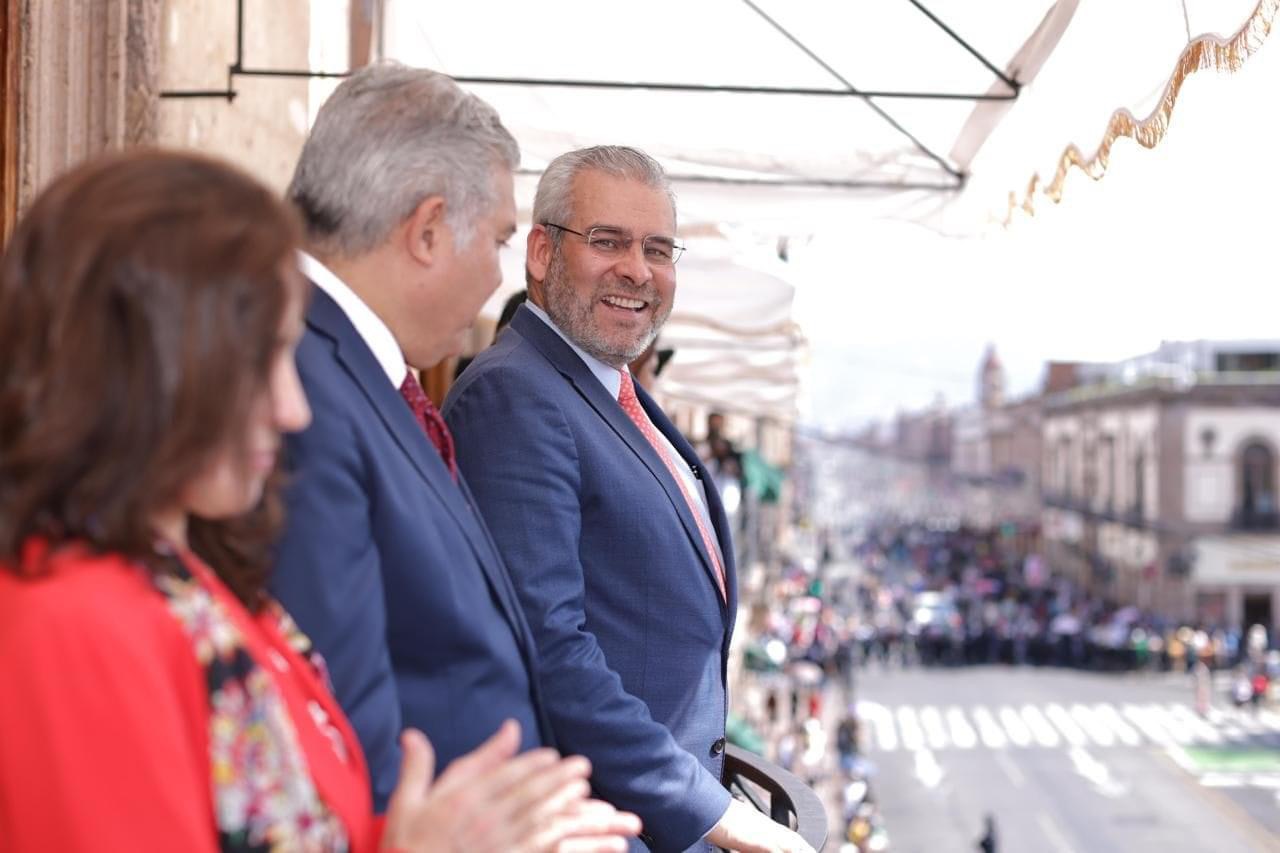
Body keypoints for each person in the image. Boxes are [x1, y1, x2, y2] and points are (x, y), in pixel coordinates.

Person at [0, 150, 637, 851]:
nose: (292, 406)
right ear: (148, 362)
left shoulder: (185, 579)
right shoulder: (75, 617)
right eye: (263, 358)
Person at [444, 145, 812, 852]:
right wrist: (718, 813)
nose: (637, 270)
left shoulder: (607, 386)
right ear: (543, 252)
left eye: (657, 248)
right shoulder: (516, 395)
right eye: (607, 241)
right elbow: (549, 649)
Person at [270, 62, 577, 815]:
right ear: (428, 230)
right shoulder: (301, 391)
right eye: (502, 241)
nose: (497, 281)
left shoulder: (347, 371)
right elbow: (335, 716)